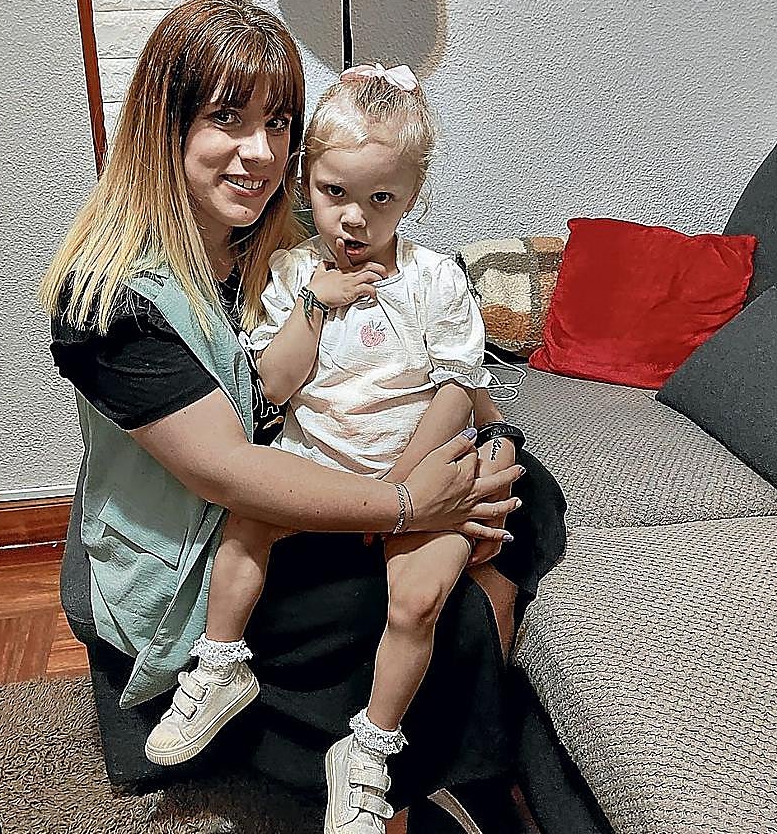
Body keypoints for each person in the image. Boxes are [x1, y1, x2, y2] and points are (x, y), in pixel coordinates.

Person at [44, 0, 565, 831]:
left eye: (277, 122)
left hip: (308, 472)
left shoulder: (278, 221)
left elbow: (443, 365)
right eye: (225, 118)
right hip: (209, 537)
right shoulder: (105, 302)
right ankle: (404, 778)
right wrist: (408, 503)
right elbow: (232, 471)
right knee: (433, 599)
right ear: (163, 125)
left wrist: (489, 439)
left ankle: (429, 744)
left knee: (522, 488)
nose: (259, 152)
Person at [142, 63, 524, 833]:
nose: (353, 218)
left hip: (419, 470)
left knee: (417, 600)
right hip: (314, 465)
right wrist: (316, 304)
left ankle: (369, 751)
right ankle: (219, 667)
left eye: (380, 199)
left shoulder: (435, 281)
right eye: (333, 193)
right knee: (246, 523)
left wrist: (399, 488)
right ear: (304, 180)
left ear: (411, 198)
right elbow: (273, 388)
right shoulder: (288, 275)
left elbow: (456, 394)